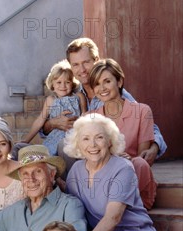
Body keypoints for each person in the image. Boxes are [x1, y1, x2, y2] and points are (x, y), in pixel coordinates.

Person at [64, 113, 162, 231]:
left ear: (110, 141)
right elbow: (72, 211)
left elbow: (112, 218)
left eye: (99, 137)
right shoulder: (77, 170)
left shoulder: (122, 168)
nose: (92, 145)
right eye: (85, 139)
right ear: (78, 143)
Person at [42, 37, 166, 166]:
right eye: (76, 65)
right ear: (71, 67)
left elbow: (147, 125)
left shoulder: (116, 93)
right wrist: (52, 123)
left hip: (111, 158)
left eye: (86, 62)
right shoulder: (69, 93)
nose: (82, 69)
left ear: (96, 60)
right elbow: (44, 128)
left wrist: (154, 147)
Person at [89, 58, 157, 209]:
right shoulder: (90, 117)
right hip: (102, 176)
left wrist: (126, 160)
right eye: (97, 84)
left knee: (139, 163)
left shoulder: (142, 111)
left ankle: (118, 206)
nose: (102, 88)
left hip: (132, 176)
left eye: (107, 81)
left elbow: (142, 158)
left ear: (119, 82)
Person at [21, 60, 86, 155]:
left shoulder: (79, 96)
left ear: (72, 83)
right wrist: (26, 140)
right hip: (55, 138)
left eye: (67, 82)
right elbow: (40, 121)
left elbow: (85, 116)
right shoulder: (50, 100)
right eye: (59, 82)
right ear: (52, 84)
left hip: (74, 136)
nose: (63, 86)